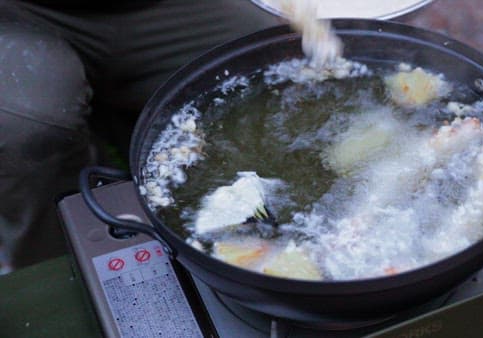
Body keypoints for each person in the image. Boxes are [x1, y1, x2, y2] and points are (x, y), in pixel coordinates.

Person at [0, 0, 279, 273]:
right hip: (20, 15)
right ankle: (57, 270)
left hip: (148, 8)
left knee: (271, 53)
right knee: (26, 126)